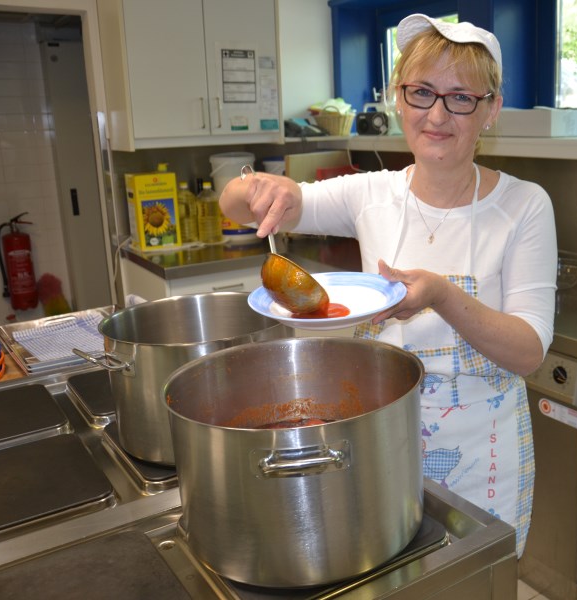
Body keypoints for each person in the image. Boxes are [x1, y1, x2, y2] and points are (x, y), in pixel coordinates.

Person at [220, 13, 557, 557]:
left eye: (460, 98)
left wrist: (443, 295)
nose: (437, 115)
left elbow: (528, 352)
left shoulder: (523, 206)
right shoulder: (369, 194)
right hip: (381, 451)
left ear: (491, 109)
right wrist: (256, 188)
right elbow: (237, 205)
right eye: (421, 92)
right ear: (399, 99)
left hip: (484, 462)